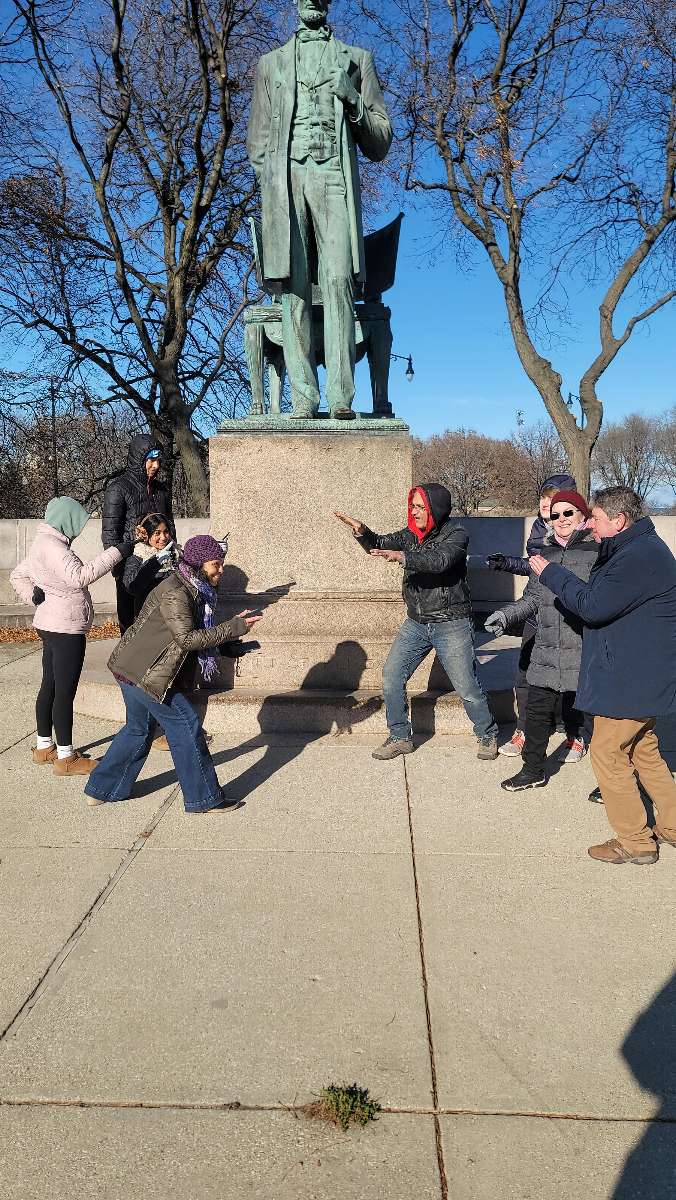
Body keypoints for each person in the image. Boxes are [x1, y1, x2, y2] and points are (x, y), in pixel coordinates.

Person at [247, 0, 392, 418]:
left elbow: (380, 141)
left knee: (339, 280)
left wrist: (354, 102)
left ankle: (341, 398)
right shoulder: (269, 64)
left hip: (333, 176)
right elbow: (257, 141)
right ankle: (304, 399)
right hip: (286, 180)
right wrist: (273, 180)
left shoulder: (357, 60)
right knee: (292, 287)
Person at [530, 486, 676, 865]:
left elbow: (594, 606)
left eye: (594, 518)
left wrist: (553, 574)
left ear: (619, 521)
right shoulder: (636, 548)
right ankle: (674, 825)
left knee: (608, 753)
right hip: (638, 674)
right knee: (645, 751)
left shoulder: (638, 556)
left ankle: (635, 841)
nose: (589, 525)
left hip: (629, 678)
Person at [84, 535, 261, 814]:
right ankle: (205, 799)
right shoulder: (177, 591)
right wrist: (234, 627)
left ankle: (102, 789)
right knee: (186, 726)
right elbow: (188, 640)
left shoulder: (193, 587)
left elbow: (189, 635)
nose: (221, 569)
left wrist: (228, 645)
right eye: (216, 564)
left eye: (222, 563)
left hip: (131, 666)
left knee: (138, 729)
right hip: (146, 673)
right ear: (200, 563)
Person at [334, 484, 499, 760]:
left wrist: (404, 556)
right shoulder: (411, 535)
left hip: (452, 623)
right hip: (417, 623)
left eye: (421, 506)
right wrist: (362, 531)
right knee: (391, 676)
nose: (415, 511)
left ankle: (487, 733)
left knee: (466, 686)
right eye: (413, 506)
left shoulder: (457, 534)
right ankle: (400, 736)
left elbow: (440, 560)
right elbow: (381, 544)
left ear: (436, 508)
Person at [9, 497, 130, 775]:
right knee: (64, 692)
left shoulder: (42, 543)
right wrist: (117, 552)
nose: (79, 528)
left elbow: (18, 575)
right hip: (65, 628)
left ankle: (44, 747)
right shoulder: (56, 549)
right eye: (78, 521)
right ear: (68, 520)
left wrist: (33, 595)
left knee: (50, 686)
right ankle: (66, 757)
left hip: (50, 624)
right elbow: (79, 577)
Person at [485, 490, 596, 791]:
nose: (560, 520)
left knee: (596, 718)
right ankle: (533, 769)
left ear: (582, 517)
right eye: (555, 514)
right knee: (536, 712)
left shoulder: (596, 554)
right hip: (545, 649)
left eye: (568, 513)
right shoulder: (542, 555)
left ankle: (610, 780)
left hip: (583, 648)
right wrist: (506, 616)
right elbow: (532, 599)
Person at [487, 473, 576, 757]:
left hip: (566, 615)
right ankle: (524, 729)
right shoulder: (539, 527)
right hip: (536, 611)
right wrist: (506, 564)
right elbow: (532, 567)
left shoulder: (578, 534)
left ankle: (572, 732)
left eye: (552, 499)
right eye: (542, 498)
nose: (544, 504)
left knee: (568, 677)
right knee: (525, 672)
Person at [102, 434, 173, 634]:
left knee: (158, 625)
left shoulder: (161, 490)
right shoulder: (118, 488)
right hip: (130, 568)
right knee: (131, 626)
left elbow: (170, 526)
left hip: (160, 566)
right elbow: (110, 533)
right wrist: (118, 567)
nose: (156, 465)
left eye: (159, 460)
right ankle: (126, 664)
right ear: (138, 459)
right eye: (151, 460)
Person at [124, 513, 182, 619]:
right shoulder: (137, 556)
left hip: (174, 613)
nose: (163, 537)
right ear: (146, 534)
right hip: (149, 616)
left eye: (166, 532)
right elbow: (131, 586)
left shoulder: (176, 553)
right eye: (157, 533)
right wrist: (154, 562)